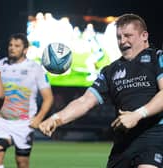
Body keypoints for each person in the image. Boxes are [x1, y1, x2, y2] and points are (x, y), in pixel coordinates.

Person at [39, 13, 163, 168]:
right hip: (123, 144)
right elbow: (85, 101)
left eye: (128, 36)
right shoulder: (109, 71)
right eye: (119, 37)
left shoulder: (157, 58)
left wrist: (138, 114)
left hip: (154, 136)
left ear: (144, 36)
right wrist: (56, 118)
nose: (122, 41)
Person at [0, 33, 54, 168]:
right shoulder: (0, 65)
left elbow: (48, 98)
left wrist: (38, 118)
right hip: (1, 121)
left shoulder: (36, 68)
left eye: (17, 46)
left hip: (24, 124)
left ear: (25, 49)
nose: (12, 48)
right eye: (10, 45)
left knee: (22, 163)